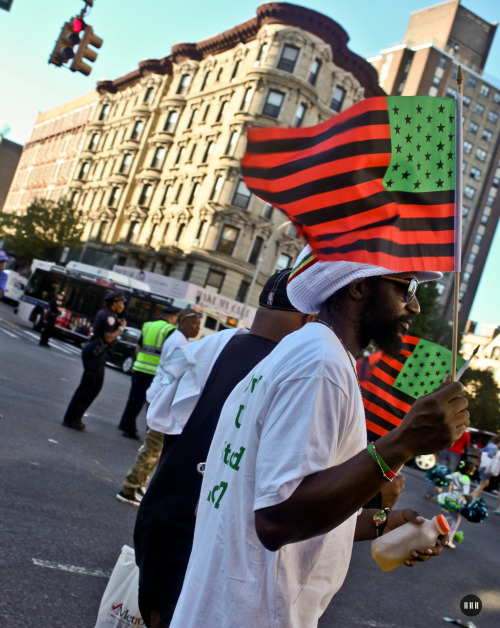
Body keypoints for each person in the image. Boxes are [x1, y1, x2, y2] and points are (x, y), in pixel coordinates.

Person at [170, 246, 470, 628]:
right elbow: (276, 521)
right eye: (407, 288)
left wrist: (381, 522)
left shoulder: (310, 352)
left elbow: (287, 508)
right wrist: (403, 443)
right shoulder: (321, 366)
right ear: (359, 287)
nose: (414, 307)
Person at [134, 269, 315, 628]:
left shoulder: (206, 348)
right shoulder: (293, 373)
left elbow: (160, 417)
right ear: (312, 317)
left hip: (162, 522)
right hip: (214, 548)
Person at [115, 308, 201, 504]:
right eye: (194, 323)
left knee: (154, 448)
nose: (197, 328)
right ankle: (129, 489)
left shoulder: (178, 339)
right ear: (182, 323)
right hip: (162, 400)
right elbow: (175, 376)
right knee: (153, 448)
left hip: (157, 396)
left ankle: (138, 485)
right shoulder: (179, 342)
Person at [62, 290, 127, 431]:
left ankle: (75, 417)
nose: (123, 305)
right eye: (121, 302)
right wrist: (121, 328)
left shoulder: (109, 314)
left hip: (97, 352)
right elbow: (109, 337)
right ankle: (71, 418)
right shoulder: (108, 315)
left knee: (94, 387)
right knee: (88, 387)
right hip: (95, 352)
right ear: (114, 303)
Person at [117, 305, 180, 440]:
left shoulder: (147, 325)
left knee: (134, 399)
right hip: (154, 372)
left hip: (140, 367)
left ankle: (126, 425)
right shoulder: (170, 330)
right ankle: (147, 432)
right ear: (172, 317)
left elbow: (138, 346)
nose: (176, 320)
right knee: (153, 403)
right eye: (176, 317)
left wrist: (138, 361)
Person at [437, 460, 475, 548]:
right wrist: (472, 504)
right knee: (456, 520)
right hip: (458, 501)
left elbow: (445, 477)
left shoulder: (456, 474)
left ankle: (437, 523)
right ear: (469, 470)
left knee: (453, 517)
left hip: (450, 498)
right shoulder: (466, 479)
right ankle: (449, 539)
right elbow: (465, 494)